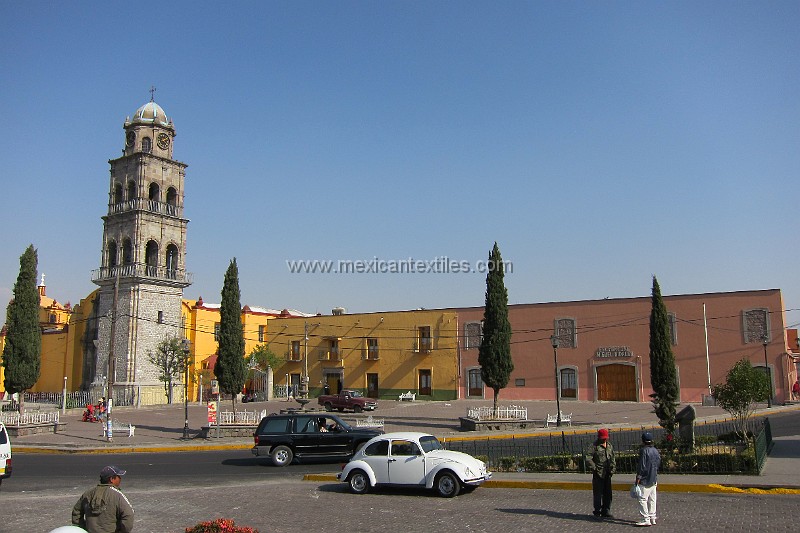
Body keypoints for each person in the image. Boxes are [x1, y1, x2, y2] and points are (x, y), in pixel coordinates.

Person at [72, 465, 134, 533]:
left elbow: (76, 511)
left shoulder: (88, 493)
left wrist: (82, 528)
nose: (120, 478)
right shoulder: (117, 495)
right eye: (118, 476)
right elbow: (128, 515)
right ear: (111, 479)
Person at [586, 428, 616, 518]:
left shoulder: (609, 446)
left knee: (608, 493)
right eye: (603, 438)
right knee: (598, 493)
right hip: (598, 473)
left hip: (607, 472)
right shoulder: (594, 446)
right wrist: (594, 468)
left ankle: (606, 510)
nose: (604, 440)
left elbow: (613, 457)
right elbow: (588, 458)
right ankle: (597, 510)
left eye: (605, 438)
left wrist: (613, 468)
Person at [635, 431, 662, 527]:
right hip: (653, 477)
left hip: (645, 478)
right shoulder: (655, 450)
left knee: (642, 499)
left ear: (643, 441)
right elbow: (658, 462)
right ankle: (652, 517)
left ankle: (645, 518)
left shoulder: (644, 450)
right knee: (652, 498)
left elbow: (642, 466)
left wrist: (638, 477)